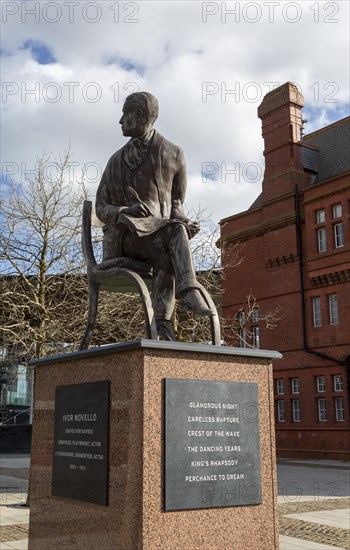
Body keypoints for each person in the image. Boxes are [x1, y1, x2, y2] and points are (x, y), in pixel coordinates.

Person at [96, 91, 213, 340]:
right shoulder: (114, 160)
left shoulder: (174, 153)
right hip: (122, 239)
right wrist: (123, 211)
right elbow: (100, 208)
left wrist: (185, 221)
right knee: (170, 239)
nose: (120, 122)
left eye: (124, 115)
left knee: (170, 239)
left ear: (138, 115)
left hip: (158, 237)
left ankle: (162, 326)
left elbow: (176, 205)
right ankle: (187, 290)